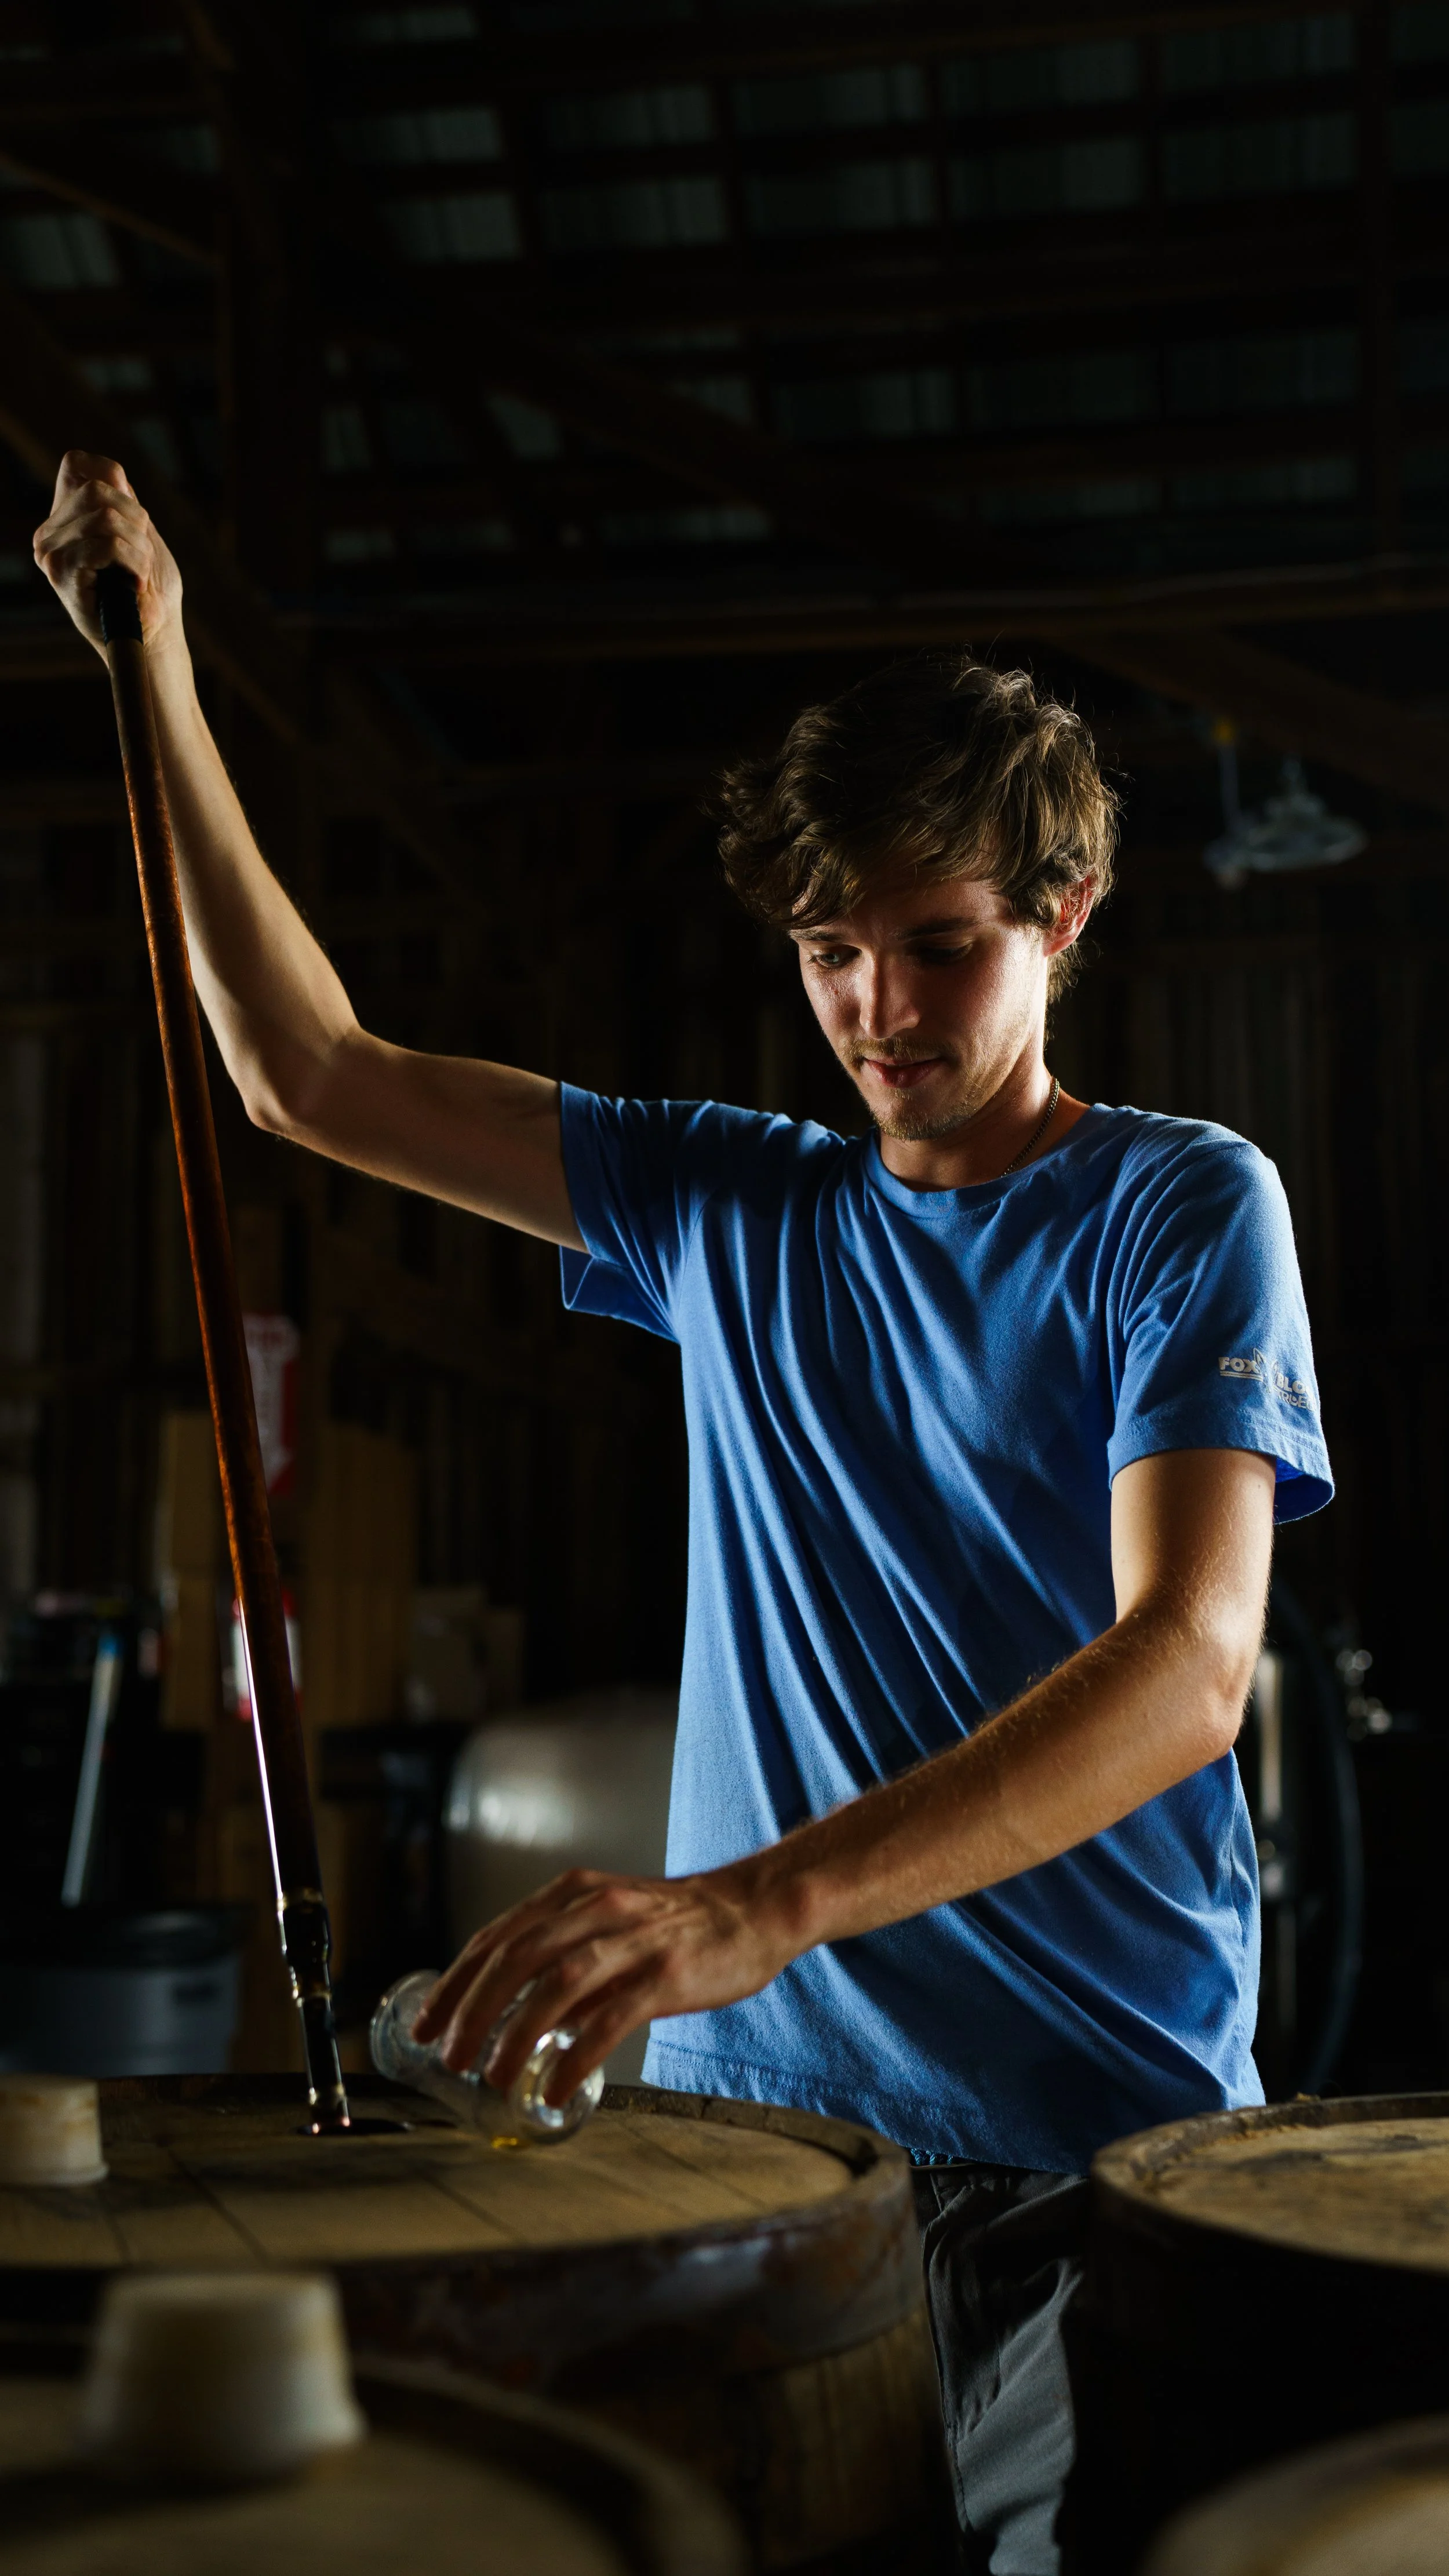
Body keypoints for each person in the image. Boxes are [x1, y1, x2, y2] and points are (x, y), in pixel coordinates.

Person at [37, 450, 1332, 2574]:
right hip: (758, 2144)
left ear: (1063, 918)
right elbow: (306, 1070)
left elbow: (1188, 1668)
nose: (881, 1014)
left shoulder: (1176, 1206)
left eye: (937, 946)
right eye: (833, 950)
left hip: (1084, 2141)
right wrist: (156, 658)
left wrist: (744, 1907)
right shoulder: (728, 1199)